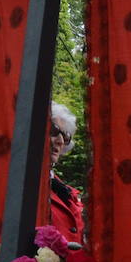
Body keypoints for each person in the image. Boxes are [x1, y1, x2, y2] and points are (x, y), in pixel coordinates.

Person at [48, 103, 84, 244]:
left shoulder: (67, 193)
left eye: (65, 136)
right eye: (54, 130)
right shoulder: (19, 184)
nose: (60, 141)